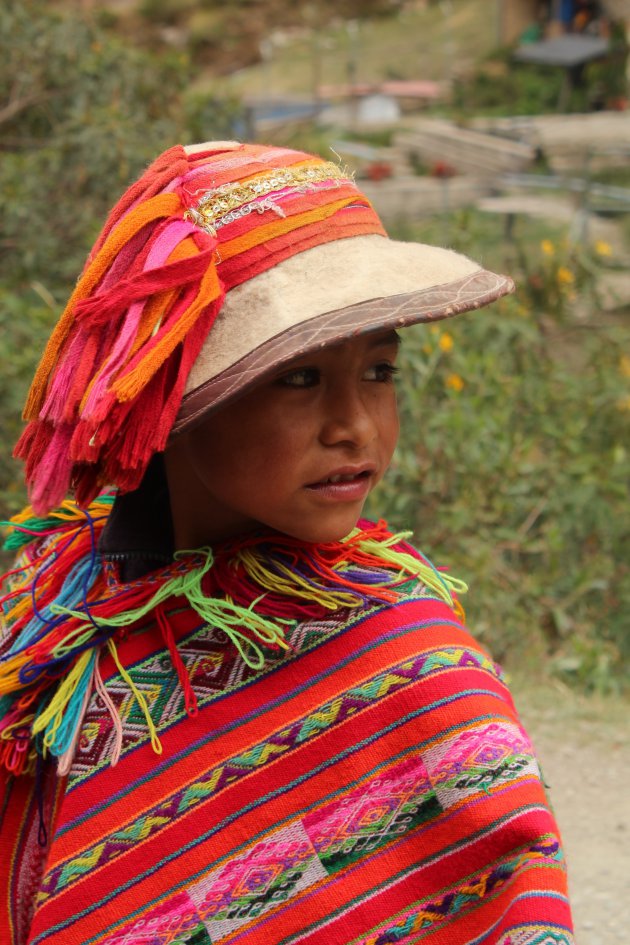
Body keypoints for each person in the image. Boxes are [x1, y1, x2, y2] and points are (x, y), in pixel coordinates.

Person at [0, 141, 574, 945]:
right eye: (300, 378)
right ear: (174, 396)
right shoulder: (55, 618)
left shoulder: (414, 673)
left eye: (380, 371)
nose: (356, 426)